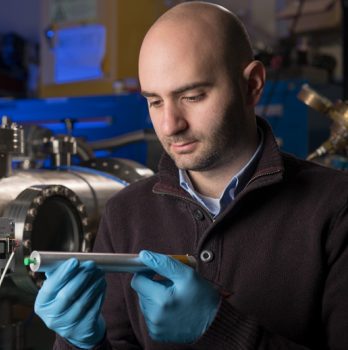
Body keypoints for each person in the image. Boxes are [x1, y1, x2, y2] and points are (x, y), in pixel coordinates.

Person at [34, 2, 348, 349]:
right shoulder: (126, 213)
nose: (170, 125)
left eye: (192, 96)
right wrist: (84, 343)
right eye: (154, 101)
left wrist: (219, 329)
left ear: (253, 85)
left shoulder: (336, 209)